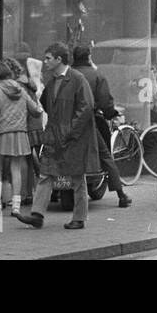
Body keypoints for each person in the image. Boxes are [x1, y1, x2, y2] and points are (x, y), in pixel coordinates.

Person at [15, 43, 99, 231]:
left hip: (72, 138)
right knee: (46, 174)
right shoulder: (53, 81)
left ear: (59, 59)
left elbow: (86, 108)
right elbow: (45, 103)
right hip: (55, 135)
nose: (44, 62)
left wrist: (71, 131)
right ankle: (37, 215)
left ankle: (79, 218)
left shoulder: (77, 79)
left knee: (77, 177)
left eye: (48, 58)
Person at [70, 44, 131, 208]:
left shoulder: (66, 75)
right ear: (89, 57)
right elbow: (105, 102)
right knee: (105, 155)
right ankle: (121, 195)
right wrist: (110, 113)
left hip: (66, 123)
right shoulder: (96, 76)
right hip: (90, 122)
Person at [0, 60, 43, 218]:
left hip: (2, 132)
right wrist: (40, 109)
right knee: (16, 169)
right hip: (20, 134)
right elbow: (35, 110)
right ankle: (16, 206)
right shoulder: (20, 89)